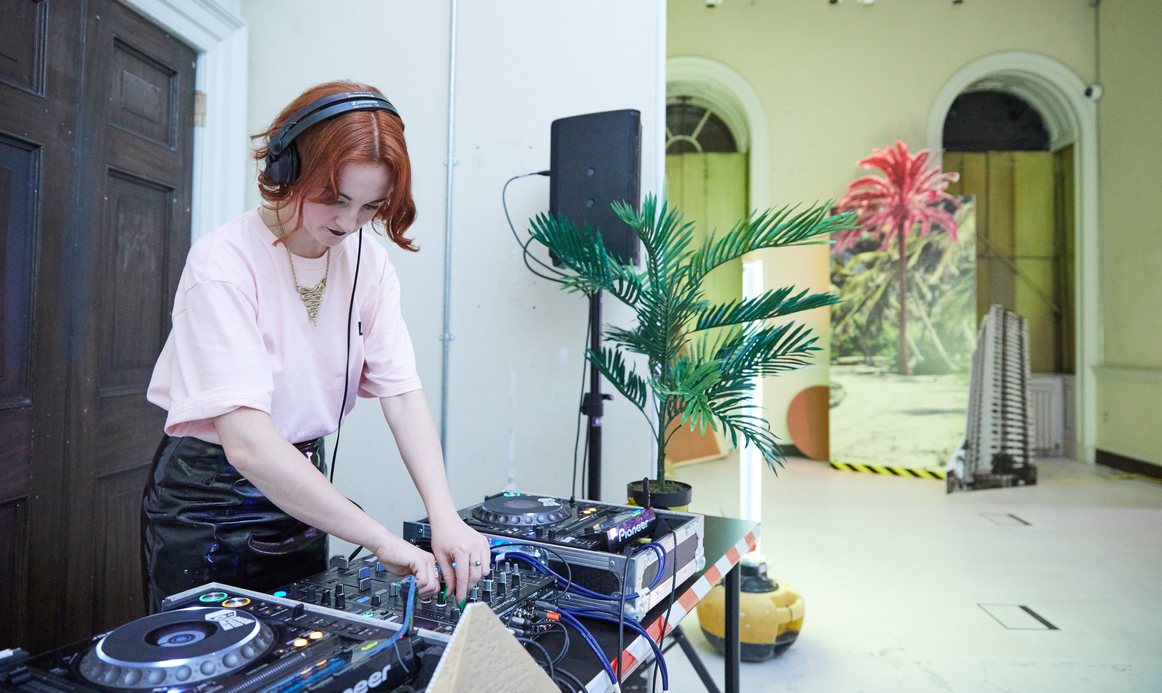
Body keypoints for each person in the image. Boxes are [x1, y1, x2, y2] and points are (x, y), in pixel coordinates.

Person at [141, 81, 489, 613]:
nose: (349, 224)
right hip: (209, 502)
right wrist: (378, 539)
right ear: (288, 169)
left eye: (370, 206)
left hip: (305, 492)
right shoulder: (222, 263)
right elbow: (248, 443)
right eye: (336, 200)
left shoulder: (369, 264)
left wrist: (444, 517)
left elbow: (401, 392)